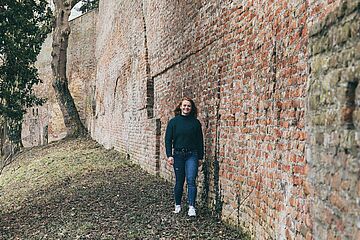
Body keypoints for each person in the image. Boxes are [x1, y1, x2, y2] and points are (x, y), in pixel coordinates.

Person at [165, 97, 204, 217]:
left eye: (189, 106)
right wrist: (169, 155)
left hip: (192, 154)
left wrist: (200, 157)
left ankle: (191, 207)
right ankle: (178, 205)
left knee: (191, 180)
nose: (186, 108)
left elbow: (200, 141)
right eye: (184, 105)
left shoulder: (195, 123)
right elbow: (168, 140)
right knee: (179, 181)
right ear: (180, 107)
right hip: (178, 155)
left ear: (191, 109)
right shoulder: (173, 122)